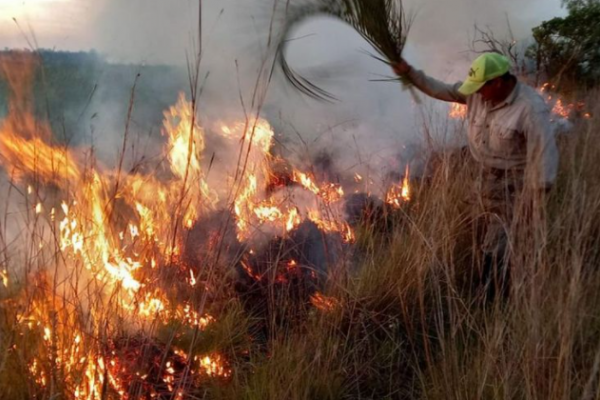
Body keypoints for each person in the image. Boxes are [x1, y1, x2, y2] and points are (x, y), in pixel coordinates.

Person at [393, 53, 559, 302]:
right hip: (482, 177)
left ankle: (491, 301)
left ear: (498, 82)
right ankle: (493, 274)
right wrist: (410, 73)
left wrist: (531, 201)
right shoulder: (477, 93)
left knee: (498, 243)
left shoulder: (530, 109)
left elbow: (545, 159)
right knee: (480, 233)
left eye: (481, 88)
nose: (475, 94)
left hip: (514, 185)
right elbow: (442, 90)